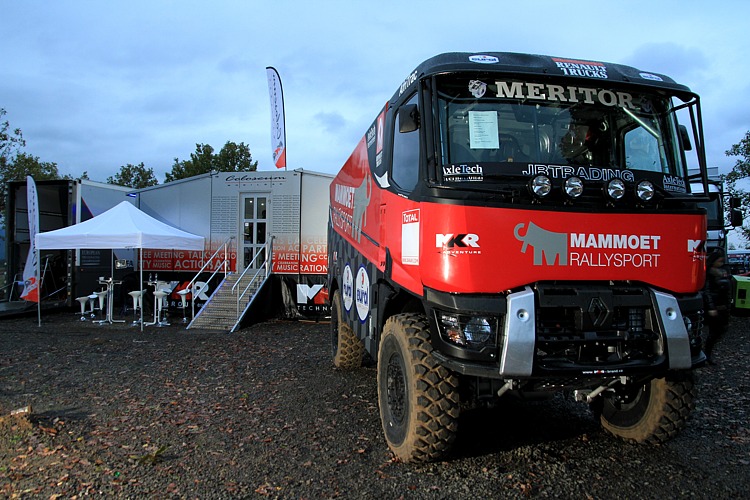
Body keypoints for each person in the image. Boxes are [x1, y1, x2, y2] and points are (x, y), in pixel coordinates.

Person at [703, 250, 732, 365]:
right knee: (715, 331)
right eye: (719, 261)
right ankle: (707, 354)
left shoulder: (722, 272)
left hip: (722, 305)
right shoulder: (710, 274)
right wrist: (711, 307)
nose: (721, 263)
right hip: (716, 305)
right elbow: (707, 291)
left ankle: (707, 353)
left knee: (720, 329)